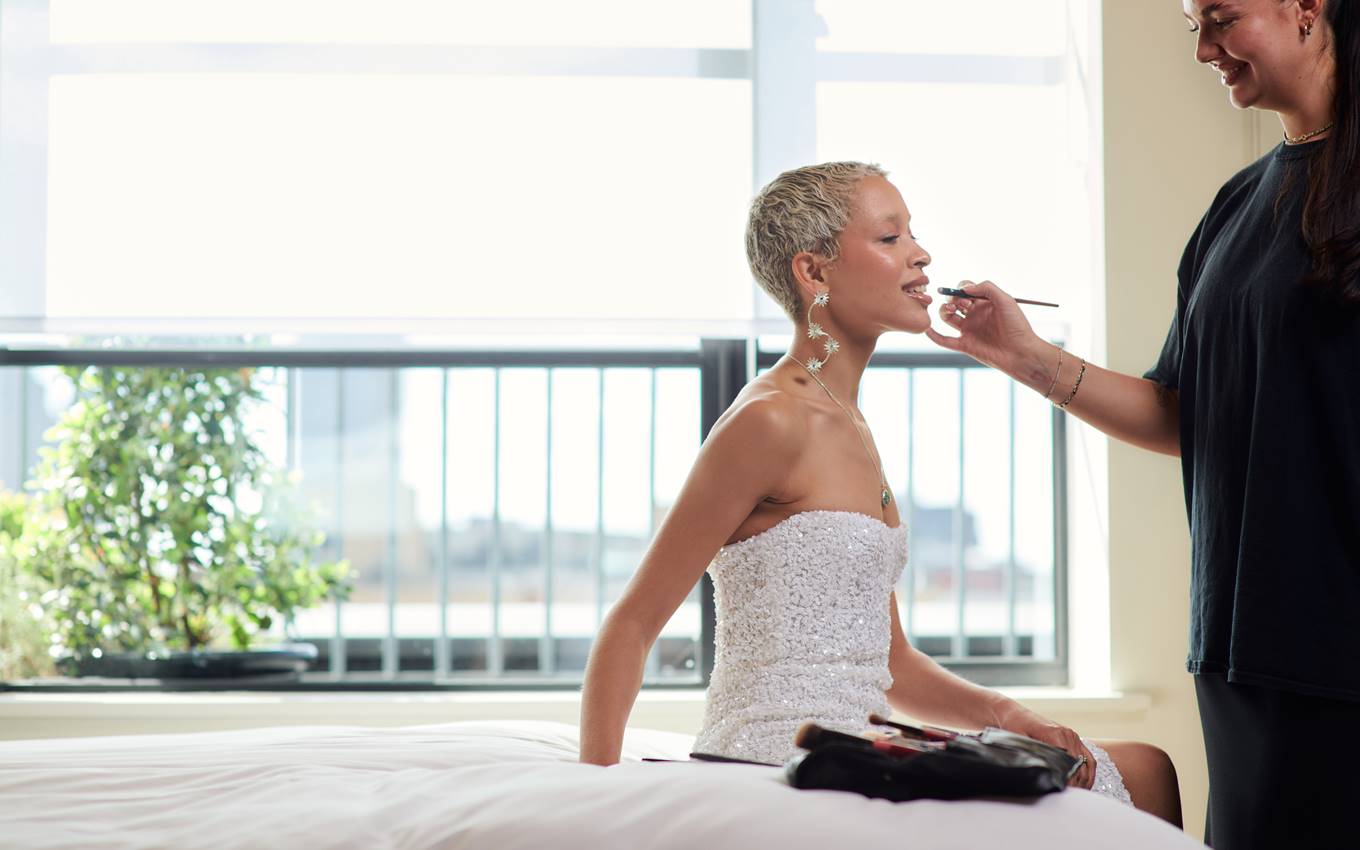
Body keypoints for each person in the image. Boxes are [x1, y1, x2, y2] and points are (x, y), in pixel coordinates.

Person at [578, 161, 1182, 826]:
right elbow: (633, 624)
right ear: (814, 272)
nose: (921, 255)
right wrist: (594, 806)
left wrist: (1014, 716)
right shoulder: (769, 419)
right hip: (778, 765)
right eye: (891, 238)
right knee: (1144, 776)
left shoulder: (850, 421)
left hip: (865, 750)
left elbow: (892, 662)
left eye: (913, 235)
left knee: (1146, 768)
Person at [925, 2, 1360, 847]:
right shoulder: (1237, 204)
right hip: (1242, 649)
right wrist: (1025, 356)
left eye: (1221, 19)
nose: (1204, 50)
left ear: (1307, 7)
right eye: (1193, 27)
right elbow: (1182, 412)